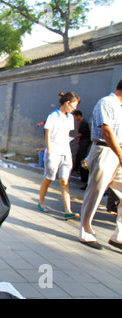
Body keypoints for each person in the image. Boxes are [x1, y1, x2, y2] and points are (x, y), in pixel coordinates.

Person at [79, 80, 122, 251]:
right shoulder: (106, 102)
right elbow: (106, 130)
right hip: (105, 150)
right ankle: (86, 232)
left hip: (119, 153)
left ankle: (119, 236)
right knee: (95, 193)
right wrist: (119, 154)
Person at [38, 92, 80, 220]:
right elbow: (47, 134)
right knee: (49, 177)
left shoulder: (70, 118)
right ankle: (41, 202)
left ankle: (68, 210)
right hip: (54, 152)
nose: (74, 108)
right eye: (73, 105)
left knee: (64, 180)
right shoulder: (53, 116)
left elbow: (67, 134)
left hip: (65, 153)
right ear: (67, 103)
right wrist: (49, 151)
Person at [72, 110, 91, 189]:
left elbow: (82, 133)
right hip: (83, 141)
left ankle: (83, 177)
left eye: (75, 117)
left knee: (81, 158)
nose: (75, 119)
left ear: (78, 116)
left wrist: (74, 138)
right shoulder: (82, 122)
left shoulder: (84, 123)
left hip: (85, 142)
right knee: (80, 157)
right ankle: (81, 174)